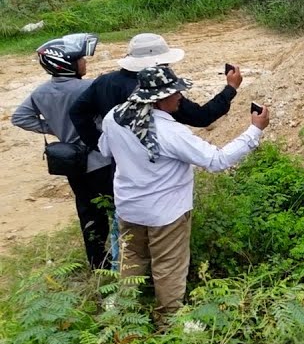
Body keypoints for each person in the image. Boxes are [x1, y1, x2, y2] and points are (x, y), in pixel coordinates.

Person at [98, 66, 269, 326]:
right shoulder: (170, 132)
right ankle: (169, 320)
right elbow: (217, 160)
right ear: (158, 99)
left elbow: (104, 150)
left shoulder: (114, 117)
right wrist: (254, 131)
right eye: (174, 92)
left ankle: (124, 310)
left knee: (132, 256)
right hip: (165, 213)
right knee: (168, 265)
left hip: (129, 206)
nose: (180, 95)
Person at [10, 34, 114, 269]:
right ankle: (123, 260)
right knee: (118, 210)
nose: (84, 62)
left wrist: (54, 127)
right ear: (66, 64)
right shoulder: (90, 87)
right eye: (80, 59)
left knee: (88, 213)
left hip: (72, 163)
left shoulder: (40, 92)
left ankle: (98, 265)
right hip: (100, 159)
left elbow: (20, 118)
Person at [70, 33, 243, 153]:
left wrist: (100, 145)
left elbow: (76, 112)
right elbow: (201, 117)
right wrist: (230, 89)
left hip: (119, 165)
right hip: (153, 163)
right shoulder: (158, 92)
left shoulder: (104, 81)